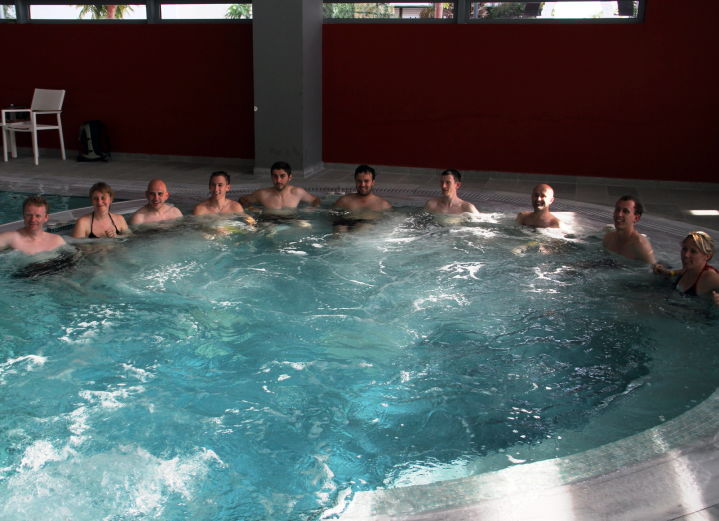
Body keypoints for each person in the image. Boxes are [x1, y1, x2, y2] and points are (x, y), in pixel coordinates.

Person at [654, 231, 719, 305]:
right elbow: (681, 271)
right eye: (684, 248)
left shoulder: (711, 278)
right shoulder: (688, 269)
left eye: (693, 251)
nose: (686, 254)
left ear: (707, 256)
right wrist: (667, 273)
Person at [239, 162, 320, 211]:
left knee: (306, 227)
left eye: (282, 176)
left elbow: (316, 199)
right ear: (271, 177)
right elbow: (242, 199)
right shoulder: (262, 194)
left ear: (289, 177)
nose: (278, 180)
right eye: (275, 176)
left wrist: (313, 208)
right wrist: (251, 208)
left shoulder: (297, 192)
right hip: (269, 220)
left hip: (292, 219)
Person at [0, 196, 66, 254]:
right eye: (29, 215)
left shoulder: (56, 240)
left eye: (38, 216)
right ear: (23, 215)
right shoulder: (12, 238)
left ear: (46, 217)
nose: (33, 220)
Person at [602, 195, 656, 265]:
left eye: (625, 211)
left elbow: (652, 269)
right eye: (617, 209)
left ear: (636, 218)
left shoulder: (641, 245)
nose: (619, 214)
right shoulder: (607, 239)